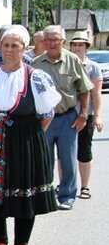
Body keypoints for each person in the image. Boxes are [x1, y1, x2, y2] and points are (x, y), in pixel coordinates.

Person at [0, 25, 61, 245]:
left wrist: (28, 137)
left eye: (15, 45)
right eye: (6, 45)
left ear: (25, 49)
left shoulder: (36, 77)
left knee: (24, 193)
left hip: (25, 140)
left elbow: (47, 113)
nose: (9, 50)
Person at [32, 25, 94, 211]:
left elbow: (84, 90)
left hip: (68, 117)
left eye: (56, 39)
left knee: (68, 159)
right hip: (44, 119)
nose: (51, 43)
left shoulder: (73, 60)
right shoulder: (35, 63)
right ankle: (46, 195)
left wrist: (83, 115)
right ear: (43, 42)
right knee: (45, 159)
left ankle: (67, 196)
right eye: (48, 40)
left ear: (63, 42)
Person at [69, 31, 104, 199]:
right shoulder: (66, 64)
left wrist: (97, 116)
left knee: (84, 151)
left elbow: (96, 94)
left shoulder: (93, 67)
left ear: (86, 47)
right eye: (74, 44)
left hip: (86, 114)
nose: (77, 47)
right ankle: (64, 185)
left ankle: (84, 186)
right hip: (67, 114)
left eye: (80, 45)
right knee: (64, 154)